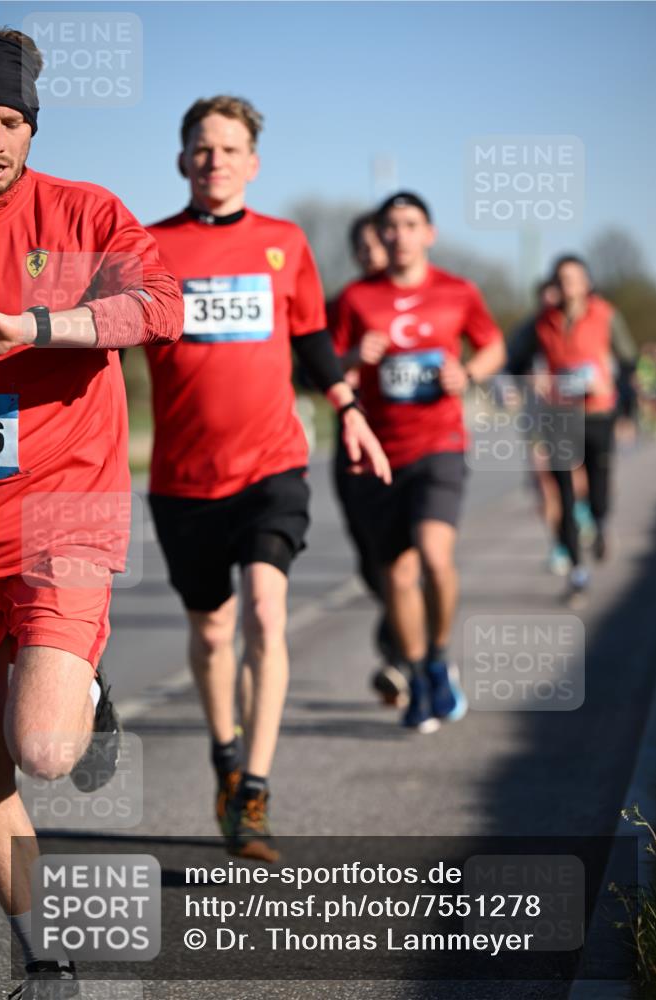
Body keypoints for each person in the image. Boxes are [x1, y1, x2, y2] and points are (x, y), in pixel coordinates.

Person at [144, 96, 390, 862]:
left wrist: (347, 408)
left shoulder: (284, 244)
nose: (214, 160)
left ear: (253, 162)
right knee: (212, 630)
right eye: (201, 147)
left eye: (229, 147)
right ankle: (224, 758)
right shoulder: (146, 248)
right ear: (182, 159)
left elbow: (312, 337)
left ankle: (254, 788)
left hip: (271, 466)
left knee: (264, 614)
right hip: (183, 478)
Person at [0, 26, 184, 999]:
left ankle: (85, 691)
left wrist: (37, 326)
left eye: (9, 120)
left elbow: (159, 304)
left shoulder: (80, 212)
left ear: (31, 127)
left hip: (63, 515)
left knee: (45, 751)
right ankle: (47, 961)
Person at [332, 191, 506, 732]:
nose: (400, 235)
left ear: (429, 233)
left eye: (411, 224)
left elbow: (493, 343)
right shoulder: (355, 298)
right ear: (380, 237)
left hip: (441, 445)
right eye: (391, 226)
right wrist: (353, 360)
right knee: (398, 575)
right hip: (382, 455)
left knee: (433, 554)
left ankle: (437, 655)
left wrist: (470, 373)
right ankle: (418, 673)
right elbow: (326, 371)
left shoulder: (458, 290)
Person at [507, 254, 637, 604]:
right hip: (559, 416)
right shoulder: (541, 322)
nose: (566, 285)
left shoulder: (606, 315)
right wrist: (525, 382)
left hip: (598, 413)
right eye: (560, 279)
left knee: (597, 489)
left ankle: (601, 525)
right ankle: (578, 573)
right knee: (561, 494)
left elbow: (627, 364)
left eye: (573, 278)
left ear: (586, 283)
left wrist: (626, 411)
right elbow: (513, 359)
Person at [329, 213, 406, 706]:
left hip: (409, 446)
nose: (369, 252)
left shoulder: (420, 299)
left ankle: (401, 654)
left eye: (376, 242)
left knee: (405, 557)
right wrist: (353, 355)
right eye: (360, 244)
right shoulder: (345, 303)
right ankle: (407, 631)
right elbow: (313, 368)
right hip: (356, 444)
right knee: (370, 560)